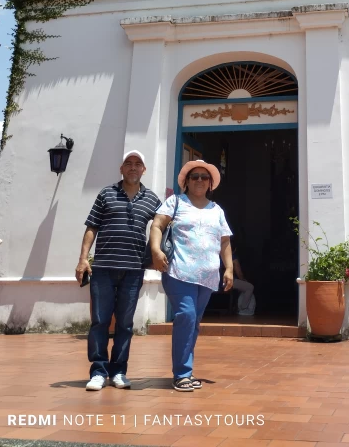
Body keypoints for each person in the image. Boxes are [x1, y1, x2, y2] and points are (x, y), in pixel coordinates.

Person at [75, 150, 160, 391]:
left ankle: (119, 371)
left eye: (138, 164)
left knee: (124, 323)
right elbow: (91, 227)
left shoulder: (152, 199)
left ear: (144, 170)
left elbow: (161, 227)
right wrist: (83, 259)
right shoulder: (106, 194)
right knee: (100, 322)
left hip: (133, 271)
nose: (133, 167)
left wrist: (159, 254)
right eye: (128, 163)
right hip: (102, 268)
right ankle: (99, 371)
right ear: (121, 169)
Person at [150, 159, 233, 392]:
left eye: (203, 177)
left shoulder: (216, 210)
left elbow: (224, 240)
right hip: (178, 271)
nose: (199, 180)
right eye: (194, 176)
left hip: (207, 277)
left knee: (193, 323)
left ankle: (186, 370)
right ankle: (181, 374)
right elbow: (157, 225)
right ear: (186, 181)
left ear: (210, 184)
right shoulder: (175, 202)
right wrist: (156, 250)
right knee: (185, 316)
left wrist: (228, 269)